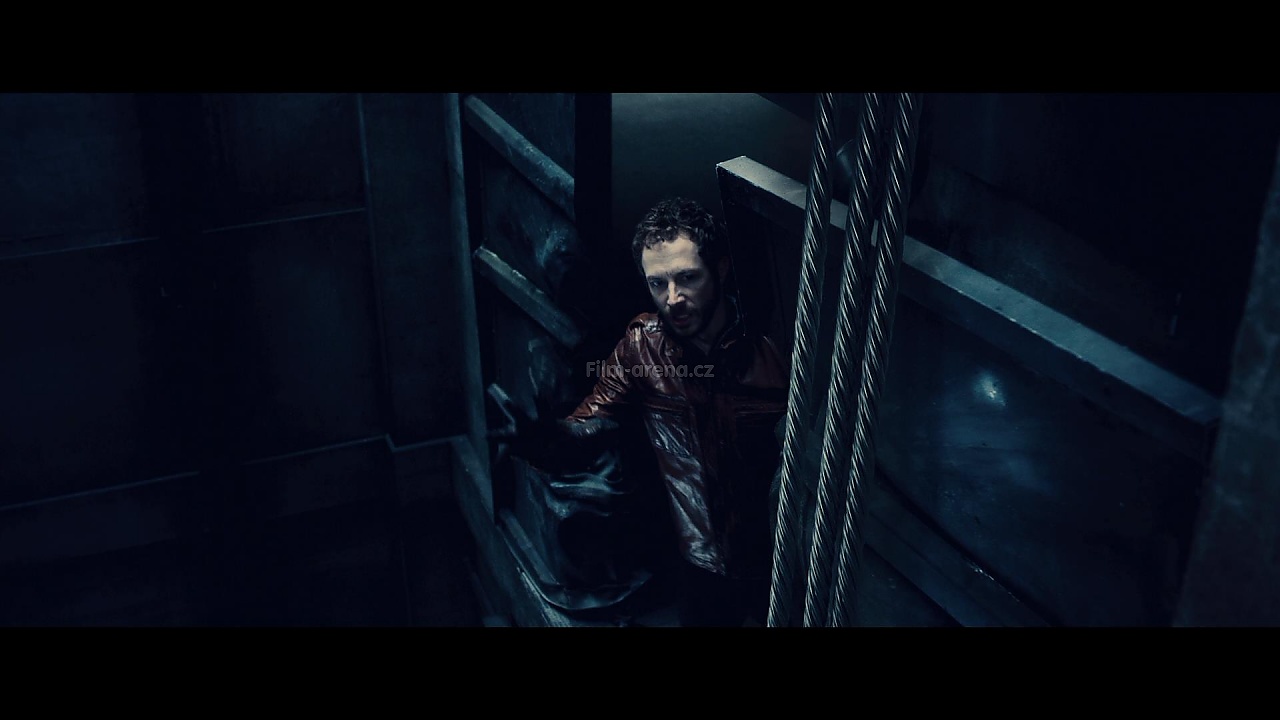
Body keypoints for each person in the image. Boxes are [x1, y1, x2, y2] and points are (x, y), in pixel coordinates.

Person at [502, 197, 789, 627]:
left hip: (782, 563)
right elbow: (591, 423)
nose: (673, 299)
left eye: (687, 278)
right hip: (699, 568)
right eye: (657, 284)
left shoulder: (776, 346)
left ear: (721, 269)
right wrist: (547, 441)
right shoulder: (643, 347)